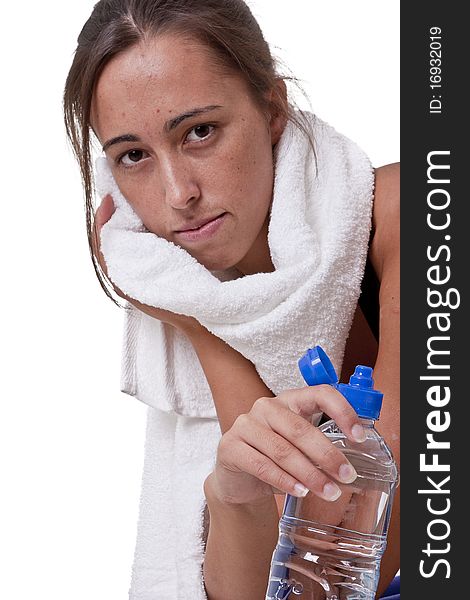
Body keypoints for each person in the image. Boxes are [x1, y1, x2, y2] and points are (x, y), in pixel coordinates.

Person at [64, 1, 399, 598]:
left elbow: (359, 571)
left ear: (272, 110)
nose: (177, 195)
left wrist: (197, 319)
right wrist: (202, 326)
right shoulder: (187, 297)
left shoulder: (411, 217)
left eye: (199, 132)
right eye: (134, 156)